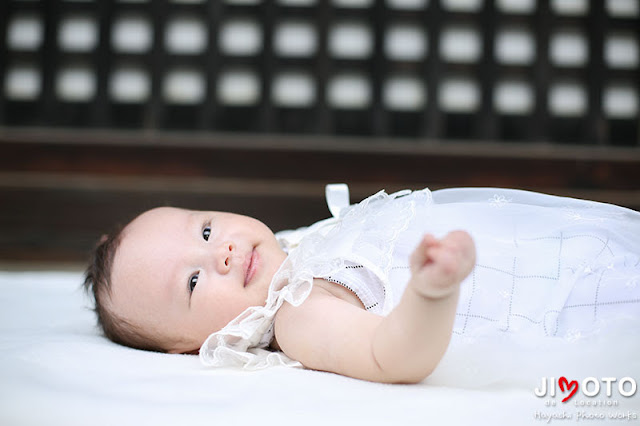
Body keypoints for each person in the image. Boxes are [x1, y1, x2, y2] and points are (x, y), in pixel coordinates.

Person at [84, 185, 640, 384]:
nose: (222, 251)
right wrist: (431, 292)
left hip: (561, 252)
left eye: (205, 229)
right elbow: (389, 356)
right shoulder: (298, 314)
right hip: (555, 304)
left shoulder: (306, 247)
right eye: (194, 280)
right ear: (195, 345)